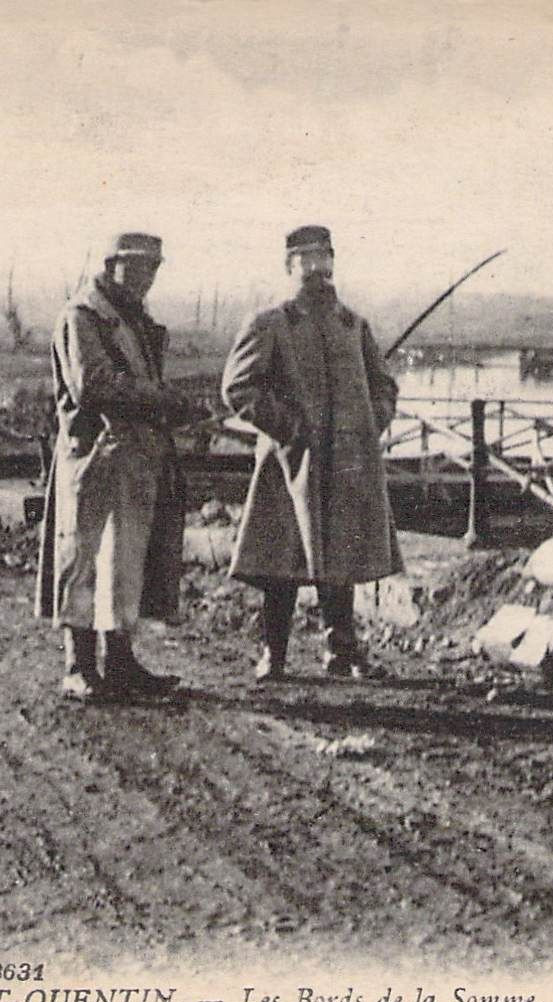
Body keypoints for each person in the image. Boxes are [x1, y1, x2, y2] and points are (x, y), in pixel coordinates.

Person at [221, 224, 402, 681]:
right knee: (281, 561)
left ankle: (341, 650)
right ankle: (273, 654)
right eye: (305, 262)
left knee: (341, 557)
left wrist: (370, 422)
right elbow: (238, 388)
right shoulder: (271, 323)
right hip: (290, 463)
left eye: (324, 260)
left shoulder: (352, 325)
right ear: (288, 267)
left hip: (345, 464)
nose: (316, 272)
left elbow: (383, 385)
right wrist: (288, 428)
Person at [36, 232, 203, 700]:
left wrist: (171, 408)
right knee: (82, 559)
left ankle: (122, 662)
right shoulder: (82, 317)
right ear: (112, 266)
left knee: (124, 561)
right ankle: (78, 666)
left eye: (154, 268)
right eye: (139, 267)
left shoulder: (134, 321)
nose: (147, 277)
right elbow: (92, 384)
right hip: (91, 458)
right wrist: (163, 400)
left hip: (132, 458)